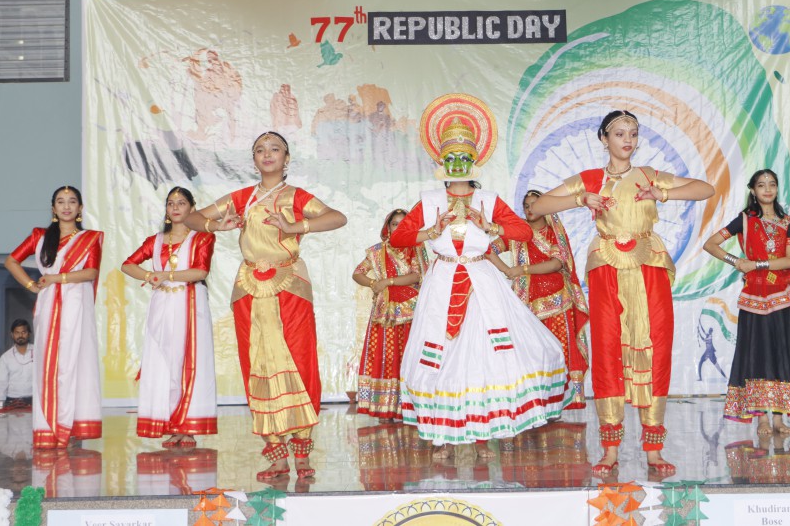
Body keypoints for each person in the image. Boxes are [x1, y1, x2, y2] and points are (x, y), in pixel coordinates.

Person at [529, 109, 715, 477]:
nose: (627, 140)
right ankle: (610, 449)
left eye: (633, 133)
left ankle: (654, 450)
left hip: (649, 266)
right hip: (607, 267)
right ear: (604, 139)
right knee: (608, 348)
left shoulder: (648, 175)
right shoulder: (590, 179)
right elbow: (538, 206)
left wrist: (662, 192)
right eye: (619, 133)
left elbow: (704, 189)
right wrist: (581, 200)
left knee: (655, 346)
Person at [390, 94, 571, 460]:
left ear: (475, 160)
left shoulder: (489, 199)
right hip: (443, 281)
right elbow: (398, 238)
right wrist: (431, 230)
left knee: (484, 353)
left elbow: (522, 231)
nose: (458, 164)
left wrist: (490, 226)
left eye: (464, 157)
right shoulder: (429, 201)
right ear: (441, 162)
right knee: (441, 353)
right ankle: (442, 433)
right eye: (451, 158)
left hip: (481, 281)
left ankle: (485, 430)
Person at [184, 131, 346, 482]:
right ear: (254, 159)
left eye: (275, 149)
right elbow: (193, 219)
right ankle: (276, 454)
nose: (267, 154)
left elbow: (337, 218)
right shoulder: (243, 198)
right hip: (249, 289)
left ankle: (302, 451)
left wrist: (296, 225)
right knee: (256, 362)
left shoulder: (296, 196)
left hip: (290, 286)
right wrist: (216, 225)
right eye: (260, 150)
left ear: (287, 158)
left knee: (300, 361)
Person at [702, 169, 790, 437]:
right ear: (753, 190)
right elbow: (711, 244)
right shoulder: (744, 220)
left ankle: (778, 418)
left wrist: (756, 265)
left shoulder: (788, 222)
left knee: (781, 354)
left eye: (772, 184)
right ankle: (762, 419)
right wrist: (736, 261)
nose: (767, 189)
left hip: (784, 297)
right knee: (758, 355)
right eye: (761, 185)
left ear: (777, 189)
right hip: (754, 298)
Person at [4, 185, 104, 450]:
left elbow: (91, 273)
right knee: (50, 363)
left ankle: (71, 426)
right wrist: (31, 285)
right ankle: (51, 427)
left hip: (76, 304)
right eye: (61, 201)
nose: (66, 206)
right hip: (48, 305)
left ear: (80, 208)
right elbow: (11, 261)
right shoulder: (40, 236)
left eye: (72, 201)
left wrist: (57, 278)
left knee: (75, 362)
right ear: (53, 208)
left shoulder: (90, 238)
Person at [121, 186, 217, 448]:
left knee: (189, 362)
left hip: (191, 304)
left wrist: (165, 275)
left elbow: (200, 272)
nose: (175, 207)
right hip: (162, 305)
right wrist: (149, 276)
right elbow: (127, 264)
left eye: (181, 203)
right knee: (164, 363)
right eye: (171, 203)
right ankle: (171, 426)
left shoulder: (202, 238)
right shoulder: (155, 241)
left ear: (192, 208)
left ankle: (188, 427)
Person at [489, 189, 590, 409]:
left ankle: (565, 398)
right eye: (526, 206)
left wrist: (521, 269)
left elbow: (556, 263)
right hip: (526, 302)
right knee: (531, 351)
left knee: (560, 348)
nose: (530, 209)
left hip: (557, 300)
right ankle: (536, 399)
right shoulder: (517, 232)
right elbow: (489, 249)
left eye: (535, 204)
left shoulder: (553, 232)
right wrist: (507, 270)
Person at [351, 208, 427, 420]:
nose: (399, 228)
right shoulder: (377, 251)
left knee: (409, 356)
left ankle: (410, 407)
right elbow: (357, 273)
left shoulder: (415, 248)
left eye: (404, 224)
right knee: (386, 356)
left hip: (412, 311)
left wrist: (387, 282)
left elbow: (417, 276)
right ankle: (385, 406)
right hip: (384, 312)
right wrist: (373, 283)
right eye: (395, 224)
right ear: (388, 227)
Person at [0, 319, 34, 405]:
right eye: (17, 333)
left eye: (23, 332)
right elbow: (1, 384)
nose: (20, 335)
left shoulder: (38, 353)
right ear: (12, 335)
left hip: (34, 400)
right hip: (12, 401)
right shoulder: (5, 357)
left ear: (29, 334)